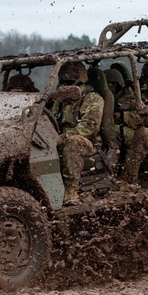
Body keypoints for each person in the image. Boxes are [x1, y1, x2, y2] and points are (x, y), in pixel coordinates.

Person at [55, 61, 104, 203]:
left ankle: (71, 190)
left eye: (69, 82)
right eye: (62, 82)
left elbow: (89, 127)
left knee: (73, 142)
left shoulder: (92, 98)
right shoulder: (60, 101)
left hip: (88, 143)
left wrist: (62, 137)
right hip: (63, 138)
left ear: (80, 82)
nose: (65, 86)